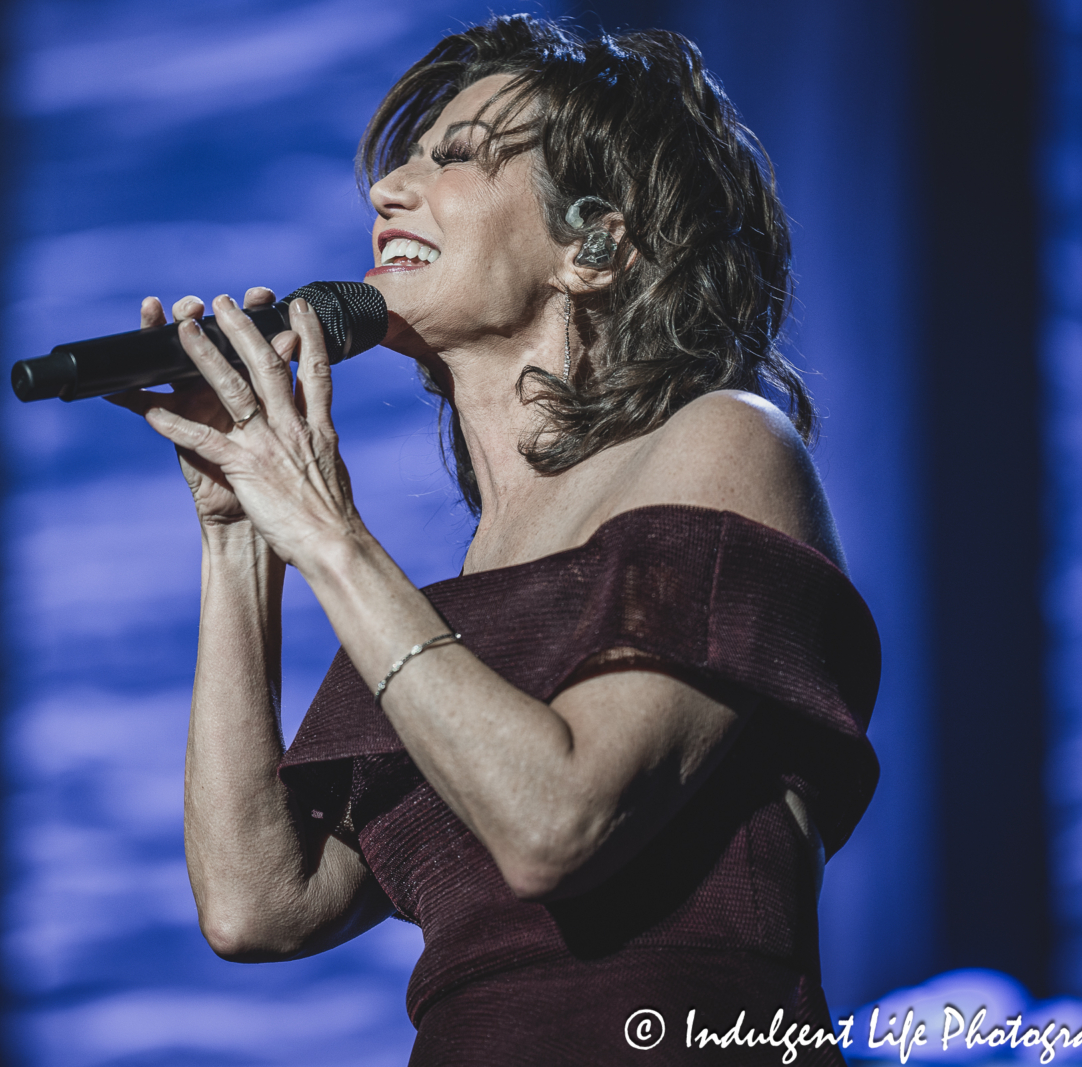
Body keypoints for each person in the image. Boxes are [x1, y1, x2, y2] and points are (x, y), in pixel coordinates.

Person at [110, 15, 879, 1066]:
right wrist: (241, 531)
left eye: (458, 156)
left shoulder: (722, 441)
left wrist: (332, 537)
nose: (388, 191)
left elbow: (558, 821)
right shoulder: (458, 589)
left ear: (596, 243)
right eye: (404, 162)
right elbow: (258, 902)